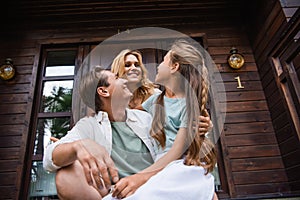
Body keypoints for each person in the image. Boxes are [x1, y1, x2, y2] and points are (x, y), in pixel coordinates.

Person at [43, 66, 213, 199]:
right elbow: (49, 159)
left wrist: (198, 128)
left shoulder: (146, 117)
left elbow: (177, 140)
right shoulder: (88, 126)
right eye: (116, 78)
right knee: (65, 176)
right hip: (119, 192)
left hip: (156, 183)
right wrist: (78, 146)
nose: (123, 80)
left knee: (202, 181)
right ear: (104, 91)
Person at [108, 39, 217, 200]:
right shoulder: (156, 100)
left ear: (174, 67)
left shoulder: (158, 97)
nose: (158, 65)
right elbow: (126, 114)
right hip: (159, 165)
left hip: (175, 163)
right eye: (128, 64)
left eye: (136, 64)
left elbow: (178, 150)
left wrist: (206, 126)